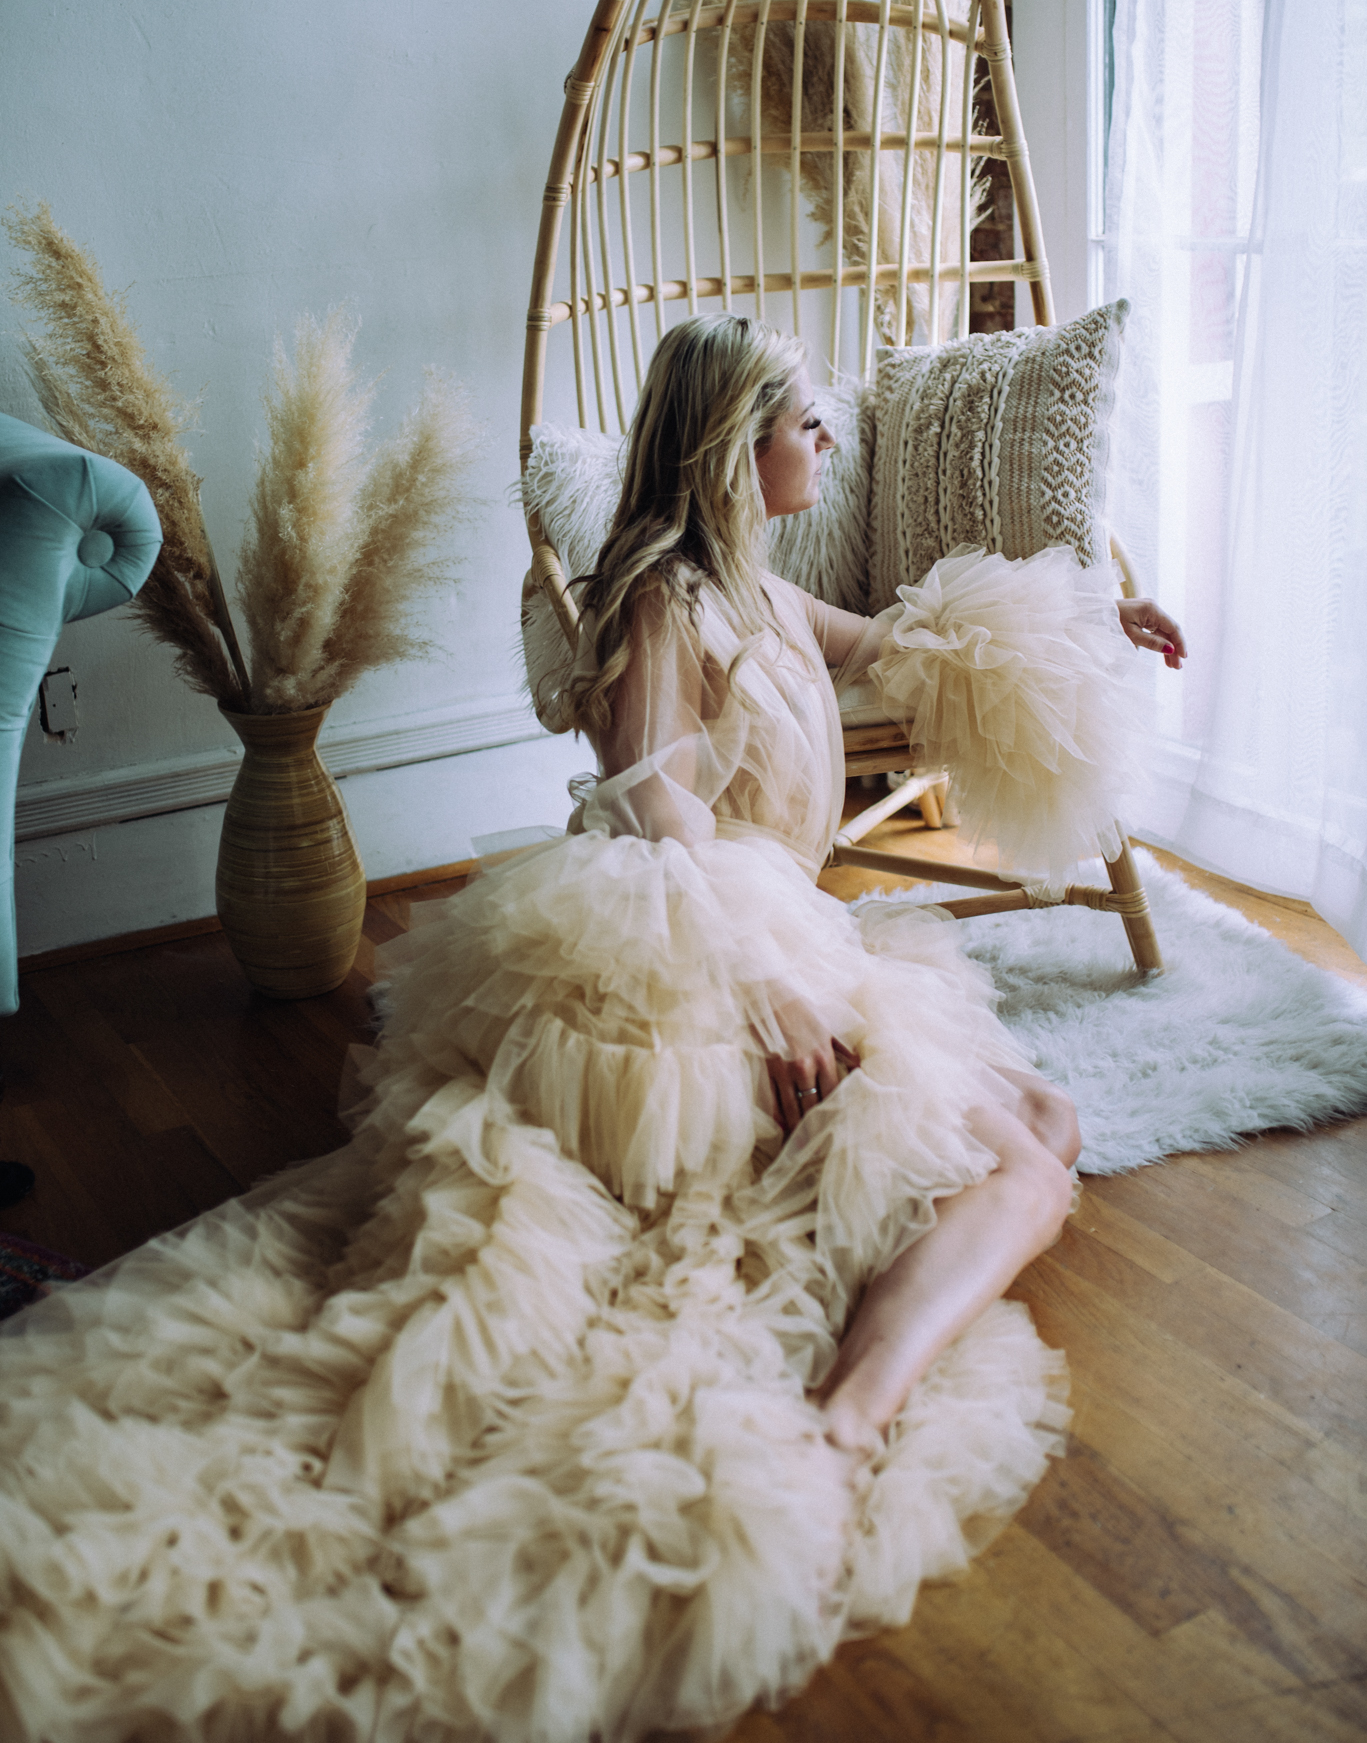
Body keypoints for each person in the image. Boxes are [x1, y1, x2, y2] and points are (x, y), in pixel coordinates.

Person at [0, 315, 1186, 1743]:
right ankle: (848, 1418)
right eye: (807, 420)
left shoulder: (765, 590)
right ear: (736, 442)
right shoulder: (659, 600)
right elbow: (656, 804)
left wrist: (1097, 630)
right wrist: (772, 986)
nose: (829, 440)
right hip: (696, 953)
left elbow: (924, 655)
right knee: (1023, 1162)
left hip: (783, 932)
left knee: (1049, 1130)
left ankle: (858, 1370)